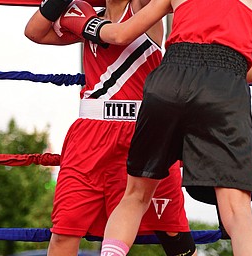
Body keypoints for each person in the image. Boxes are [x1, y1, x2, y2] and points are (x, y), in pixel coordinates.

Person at [57, 0, 252, 255]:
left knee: (135, 197)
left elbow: (121, 33)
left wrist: (82, 22)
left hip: (169, 78)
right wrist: (222, 73)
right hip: (225, 83)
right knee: (238, 213)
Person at [24, 0, 197, 255]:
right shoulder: (86, 16)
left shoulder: (143, 7)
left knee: (173, 233)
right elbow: (34, 31)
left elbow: (119, 34)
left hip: (144, 130)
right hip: (90, 136)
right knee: (64, 232)